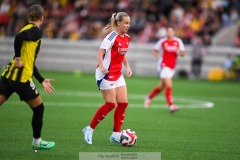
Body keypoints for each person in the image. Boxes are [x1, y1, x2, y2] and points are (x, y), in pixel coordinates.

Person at [0, 4, 55, 151]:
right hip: (21, 79)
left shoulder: (25, 29)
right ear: (42, 18)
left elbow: (29, 61)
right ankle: (37, 142)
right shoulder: (36, 31)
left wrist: (41, 79)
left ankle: (37, 141)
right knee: (39, 109)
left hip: (8, 75)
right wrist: (18, 58)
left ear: (28, 17)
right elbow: (18, 38)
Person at [82, 12, 132, 145]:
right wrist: (103, 65)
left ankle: (115, 135)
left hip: (117, 74)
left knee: (123, 103)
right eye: (126, 23)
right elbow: (100, 53)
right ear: (118, 23)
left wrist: (127, 67)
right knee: (110, 104)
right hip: (106, 74)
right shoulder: (111, 37)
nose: (128, 25)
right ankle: (89, 129)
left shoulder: (127, 38)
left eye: (129, 23)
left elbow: (122, 54)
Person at [144, 27, 185, 113]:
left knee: (161, 86)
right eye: (168, 31)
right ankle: (171, 105)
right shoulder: (162, 41)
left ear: (174, 32)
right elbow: (155, 49)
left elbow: (182, 53)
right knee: (169, 85)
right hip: (163, 66)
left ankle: (148, 98)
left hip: (172, 67)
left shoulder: (178, 41)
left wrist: (179, 53)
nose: (169, 33)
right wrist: (156, 54)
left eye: (171, 31)